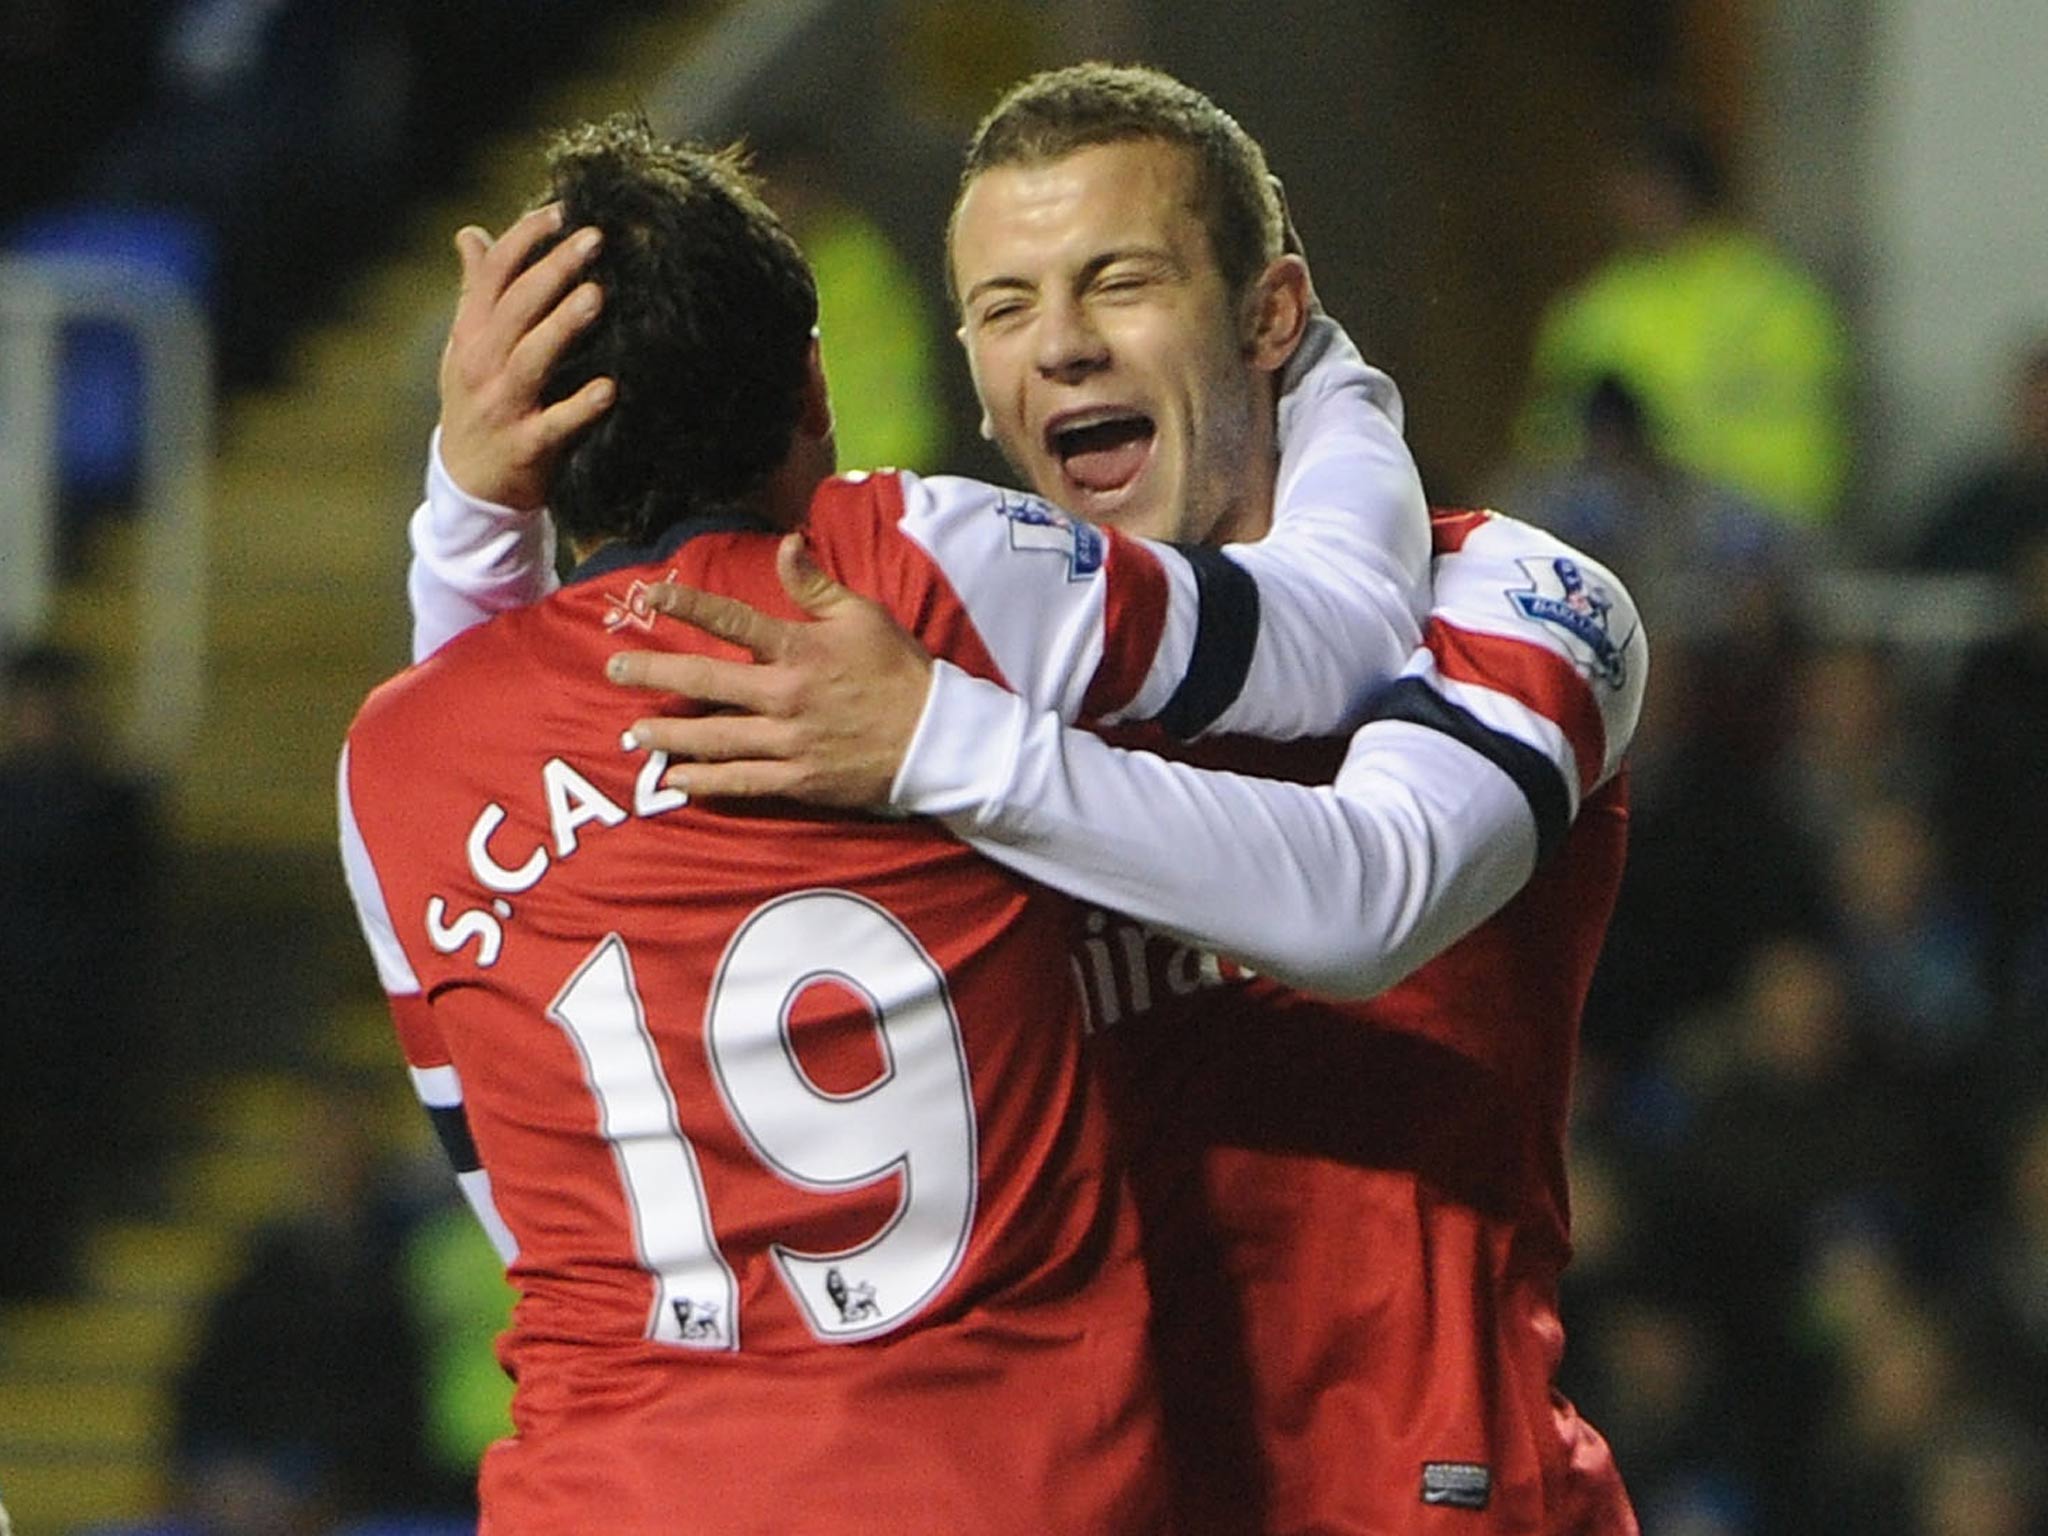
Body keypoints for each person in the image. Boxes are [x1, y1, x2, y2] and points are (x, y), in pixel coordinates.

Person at [410, 69, 1648, 1535]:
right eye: (1004, 308)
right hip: (1063, 1492)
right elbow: (546, 839)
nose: (1060, 347)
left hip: (1414, 1496)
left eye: (1118, 283)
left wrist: (948, 743)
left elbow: (1368, 895)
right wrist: (478, 508)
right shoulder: (904, 651)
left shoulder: (1513, 594)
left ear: (1267, 316)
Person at [1512, 103, 1852, 529]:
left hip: (1745, 507)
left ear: (1684, 189)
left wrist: (1668, 458)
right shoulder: (1594, 306)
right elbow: (1550, 435)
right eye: (1624, 188)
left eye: (1647, 186)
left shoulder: (1774, 299)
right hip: (1623, 508)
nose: (1632, 204)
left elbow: (1802, 450)